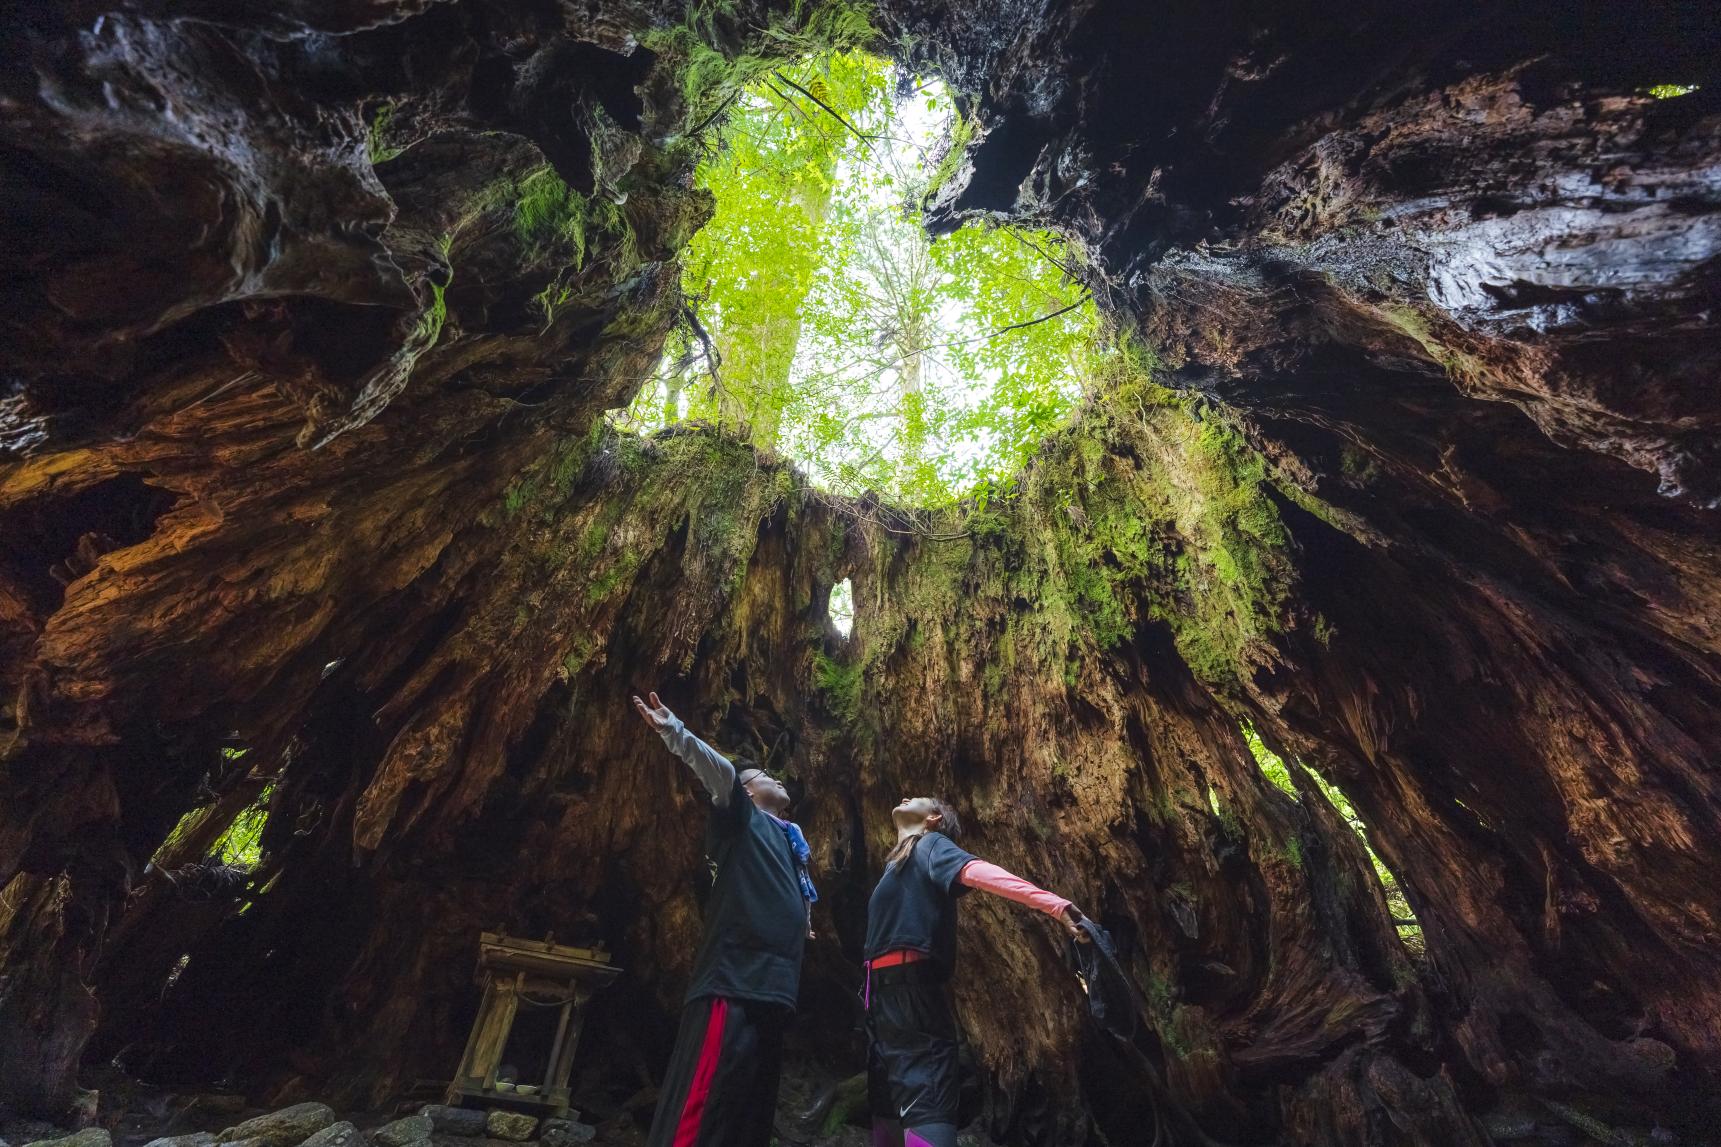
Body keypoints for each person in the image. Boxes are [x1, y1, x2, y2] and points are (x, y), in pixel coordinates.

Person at [632, 691, 816, 1147]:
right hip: (732, 979)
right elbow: (720, 773)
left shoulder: (792, 844)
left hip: (775, 989)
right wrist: (675, 730)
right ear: (749, 792)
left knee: (748, 1112)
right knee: (704, 1101)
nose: (774, 777)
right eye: (764, 774)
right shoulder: (740, 820)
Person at [864, 796, 1086, 1147]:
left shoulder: (932, 844)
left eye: (919, 798)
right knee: (887, 1094)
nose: (906, 797)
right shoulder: (897, 863)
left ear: (934, 818)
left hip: (913, 992)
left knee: (928, 1094)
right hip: (881, 999)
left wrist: (1056, 906)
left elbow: (981, 872)